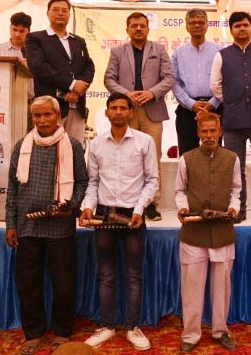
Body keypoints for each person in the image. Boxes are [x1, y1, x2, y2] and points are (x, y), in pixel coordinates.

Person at [5, 96, 89, 355]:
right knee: (28, 283)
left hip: (60, 227)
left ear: (58, 115)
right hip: (27, 227)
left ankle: (63, 332)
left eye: (47, 115)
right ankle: (34, 333)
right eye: (37, 115)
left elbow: (82, 182)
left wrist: (70, 205)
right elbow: (12, 187)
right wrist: (11, 224)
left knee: (63, 282)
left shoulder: (72, 145)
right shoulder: (21, 146)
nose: (42, 120)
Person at [80, 93, 158, 350]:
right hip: (103, 215)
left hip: (133, 215)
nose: (118, 112)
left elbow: (152, 181)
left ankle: (133, 328)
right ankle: (107, 326)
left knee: (134, 275)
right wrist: (88, 207)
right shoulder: (97, 144)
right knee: (105, 274)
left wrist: (139, 210)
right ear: (106, 112)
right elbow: (93, 183)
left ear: (131, 112)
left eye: (123, 108)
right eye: (113, 108)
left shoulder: (145, 141)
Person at [176, 111, 240, 353]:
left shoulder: (232, 158)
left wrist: (234, 208)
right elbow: (179, 191)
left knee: (222, 287)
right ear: (198, 133)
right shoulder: (187, 159)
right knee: (191, 287)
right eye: (205, 131)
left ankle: (220, 331)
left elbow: (236, 190)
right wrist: (183, 208)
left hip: (223, 231)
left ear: (220, 131)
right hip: (193, 232)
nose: (209, 135)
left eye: (213, 130)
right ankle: (191, 335)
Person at [105, 11, 174, 221]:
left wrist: (151, 93)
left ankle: (151, 203)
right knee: (126, 156)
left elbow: (169, 78)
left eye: (142, 25)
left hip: (153, 110)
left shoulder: (159, 49)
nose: (138, 29)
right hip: (127, 111)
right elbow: (109, 79)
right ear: (127, 29)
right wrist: (126, 95)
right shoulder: (117, 51)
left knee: (153, 157)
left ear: (147, 28)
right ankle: (128, 202)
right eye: (134, 25)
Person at [210, 11, 251, 223]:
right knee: (235, 168)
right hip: (232, 121)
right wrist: (232, 100)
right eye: (237, 26)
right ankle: (239, 209)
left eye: (246, 25)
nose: (242, 29)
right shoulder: (222, 55)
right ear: (231, 30)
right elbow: (215, 85)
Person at [26, 0, 95, 147]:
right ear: (47, 13)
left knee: (75, 150)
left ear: (69, 14)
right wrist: (72, 85)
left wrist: (78, 90)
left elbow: (89, 66)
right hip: (49, 108)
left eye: (64, 10)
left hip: (77, 106)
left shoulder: (78, 41)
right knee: (49, 150)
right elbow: (38, 67)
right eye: (56, 10)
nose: (60, 13)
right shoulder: (36, 38)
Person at [172, 9, 223, 155]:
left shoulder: (219, 51)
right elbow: (174, 82)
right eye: (192, 23)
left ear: (207, 25)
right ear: (187, 26)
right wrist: (191, 104)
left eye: (201, 22)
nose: (196, 26)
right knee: (187, 155)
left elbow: (225, 80)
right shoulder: (178, 53)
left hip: (215, 108)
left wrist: (212, 103)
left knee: (215, 155)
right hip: (187, 110)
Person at [0, 12, 35, 102]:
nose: (17, 34)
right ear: (9, 28)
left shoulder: (35, 50)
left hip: (30, 101)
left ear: (28, 31)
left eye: (21, 31)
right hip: (4, 99)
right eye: (14, 30)